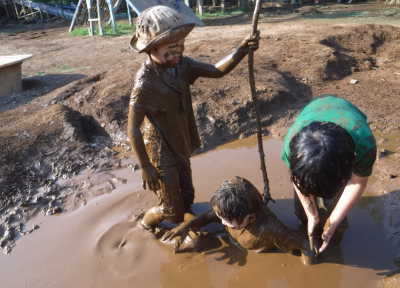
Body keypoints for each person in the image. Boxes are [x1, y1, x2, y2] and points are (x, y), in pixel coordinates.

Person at [127, 5, 259, 230]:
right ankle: (146, 225)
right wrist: (145, 166)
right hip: (159, 148)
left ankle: (185, 220)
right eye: (170, 49)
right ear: (152, 49)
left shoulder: (182, 66)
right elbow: (133, 128)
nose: (177, 53)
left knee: (187, 194)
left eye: (180, 46)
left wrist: (241, 50)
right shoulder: (145, 83)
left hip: (179, 139)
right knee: (170, 209)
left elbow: (217, 70)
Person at [281, 95, 377, 255]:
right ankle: (308, 219)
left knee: (333, 203)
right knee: (302, 208)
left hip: (347, 117)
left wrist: (332, 225)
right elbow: (296, 178)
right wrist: (312, 216)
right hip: (315, 109)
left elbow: (358, 182)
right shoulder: (292, 145)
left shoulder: (364, 144)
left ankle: (334, 231)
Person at [162, 176, 314, 265]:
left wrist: (306, 268)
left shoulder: (269, 228)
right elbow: (206, 218)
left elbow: (305, 245)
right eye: (219, 215)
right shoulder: (226, 211)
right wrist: (185, 226)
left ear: (251, 218)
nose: (221, 221)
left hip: (258, 250)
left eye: (227, 221)